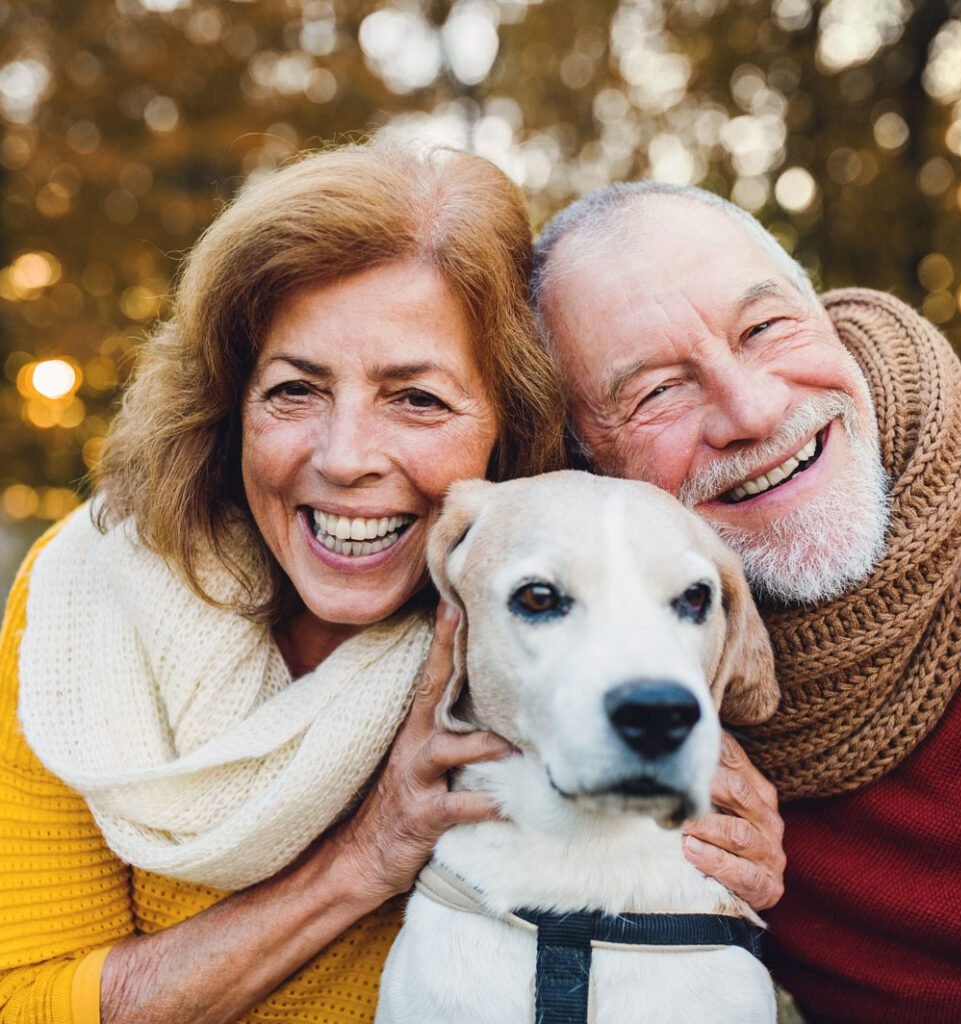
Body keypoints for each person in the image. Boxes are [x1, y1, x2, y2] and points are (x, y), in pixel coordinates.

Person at [0, 144, 782, 1024]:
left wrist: (722, 847)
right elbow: (25, 1001)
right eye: (294, 390)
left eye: (416, 399)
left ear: (509, 422)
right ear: (229, 405)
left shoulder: (553, 616)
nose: (344, 459)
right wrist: (365, 855)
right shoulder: (87, 602)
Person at [531, 181, 961, 1024]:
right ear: (587, 473)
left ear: (823, 313)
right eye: (656, 393)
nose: (754, 411)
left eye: (765, 328)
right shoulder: (627, 716)